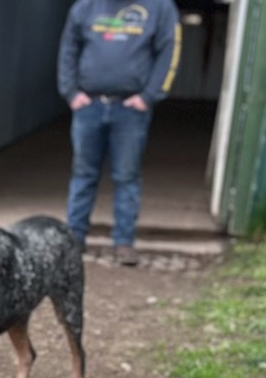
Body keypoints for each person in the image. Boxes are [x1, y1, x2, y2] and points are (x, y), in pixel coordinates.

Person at [57, 0, 182, 265]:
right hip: (88, 105)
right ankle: (74, 240)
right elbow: (68, 49)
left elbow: (170, 51)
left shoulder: (160, 7)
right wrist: (70, 92)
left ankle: (124, 243)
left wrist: (149, 96)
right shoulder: (85, 7)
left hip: (130, 109)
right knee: (83, 174)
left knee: (126, 176)